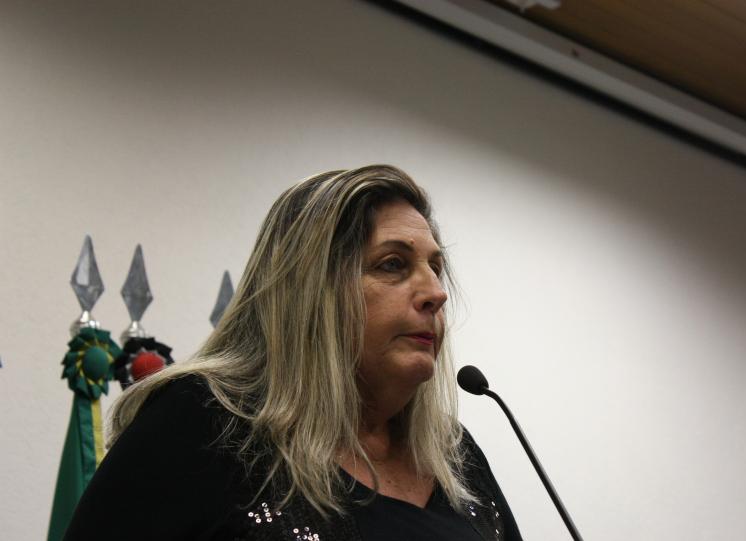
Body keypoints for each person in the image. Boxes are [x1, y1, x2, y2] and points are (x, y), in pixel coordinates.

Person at [65, 165, 522, 540]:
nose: (436, 293)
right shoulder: (206, 424)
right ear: (310, 291)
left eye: (435, 268)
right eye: (393, 264)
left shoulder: (454, 455)